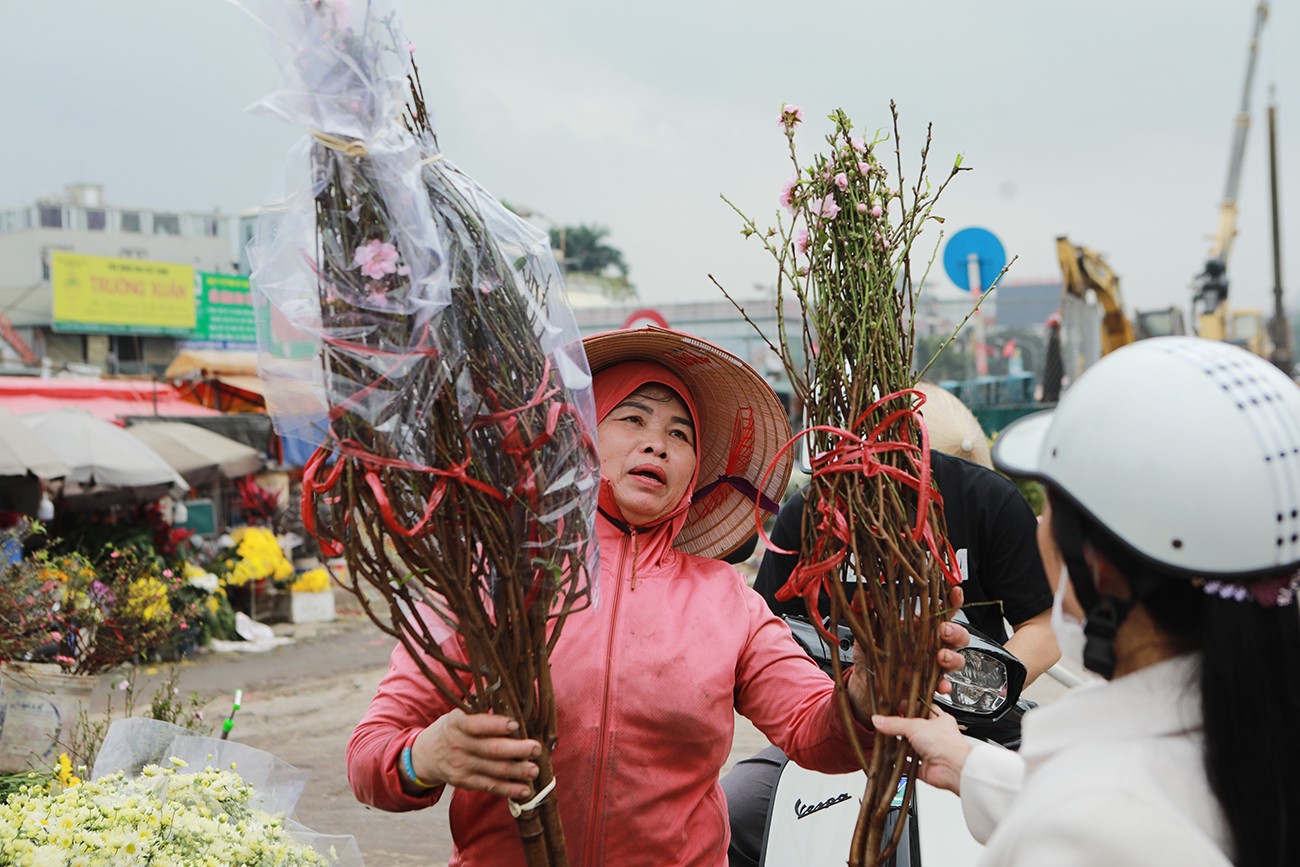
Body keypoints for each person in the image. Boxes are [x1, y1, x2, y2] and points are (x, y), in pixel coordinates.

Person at [346, 326, 971, 866]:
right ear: (579, 438)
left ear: (693, 474)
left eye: (680, 433)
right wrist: (423, 758)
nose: (657, 443)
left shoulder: (729, 603)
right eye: (633, 418)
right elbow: (370, 757)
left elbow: (818, 735)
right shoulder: (498, 581)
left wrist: (868, 686)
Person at [874, 336, 1300, 866]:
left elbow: (1096, 818)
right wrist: (965, 762)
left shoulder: (1084, 829)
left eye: (1050, 509)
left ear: (1095, 564)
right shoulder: (1254, 736)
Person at [722, 386, 1059, 867]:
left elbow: (1045, 624)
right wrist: (839, 703)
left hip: (972, 724)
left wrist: (973, 692)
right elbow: (772, 633)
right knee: (733, 813)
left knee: (1064, 809)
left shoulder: (985, 499)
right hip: (841, 723)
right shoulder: (808, 513)